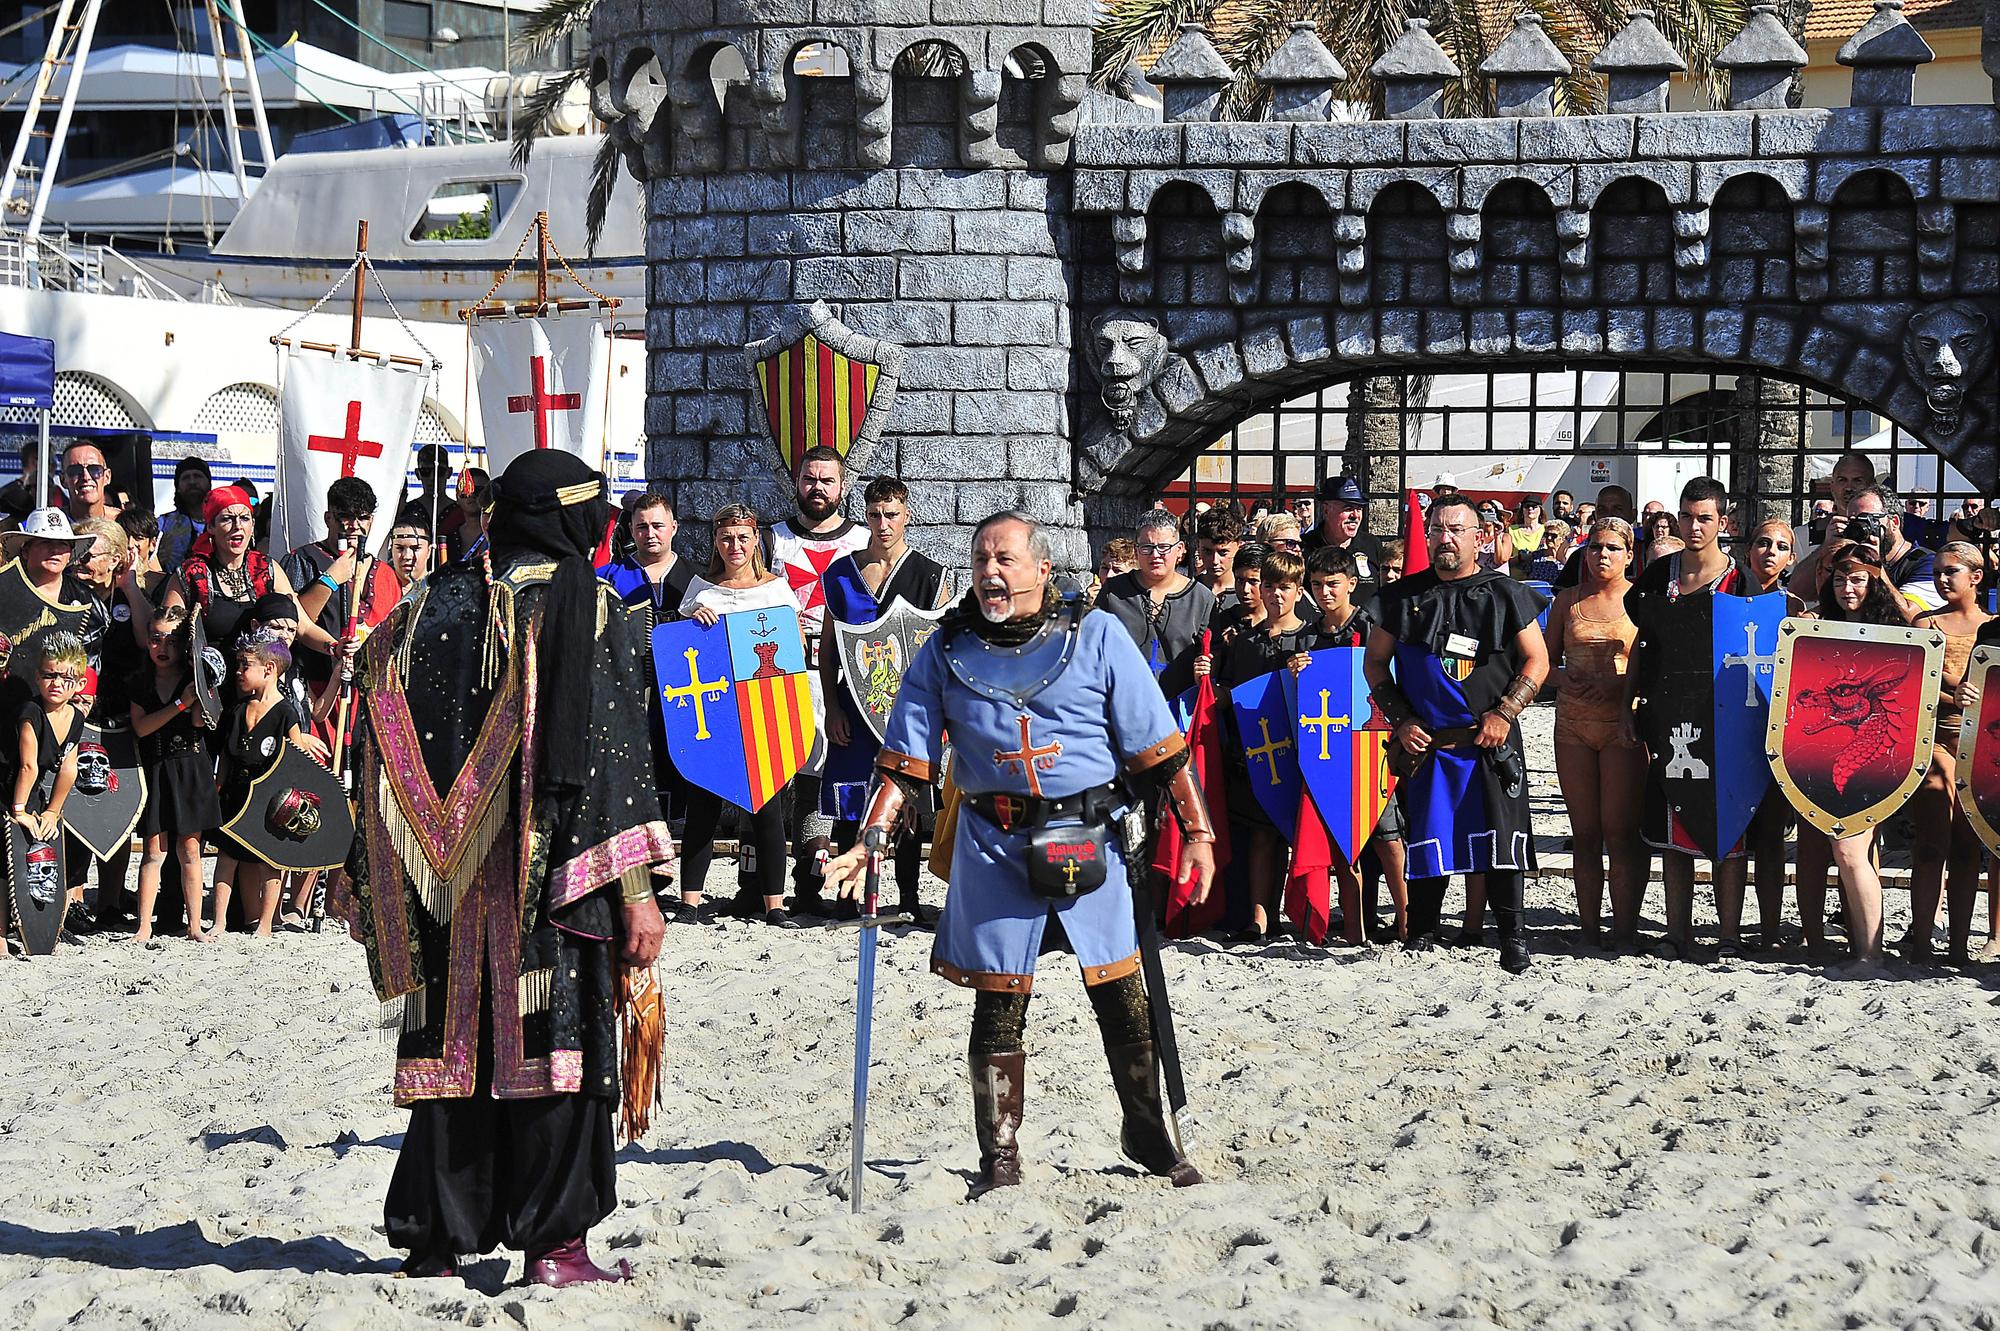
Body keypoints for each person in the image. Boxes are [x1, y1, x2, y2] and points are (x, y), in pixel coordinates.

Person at [341, 447, 671, 1285]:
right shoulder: (587, 606)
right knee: (554, 1054)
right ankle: (556, 1248)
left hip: (441, 883)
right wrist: (634, 892)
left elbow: (374, 724)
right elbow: (607, 763)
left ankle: (434, 1240)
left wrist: (391, 858)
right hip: (551, 879)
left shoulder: (425, 605)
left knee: (457, 1055)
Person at [822, 511, 1215, 1194]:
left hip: (1090, 838)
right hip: (995, 845)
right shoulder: (945, 652)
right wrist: (871, 837)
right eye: (980, 560)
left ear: (1041, 567)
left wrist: (1200, 832)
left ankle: (1147, 1128)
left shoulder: (1096, 636)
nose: (991, 572)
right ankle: (999, 1151)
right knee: (1000, 1001)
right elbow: (905, 760)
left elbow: (1162, 748)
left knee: (1123, 993)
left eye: (1005, 559)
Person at [1365, 495, 1548, 973]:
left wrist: (1505, 712)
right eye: (1438, 529)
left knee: (1502, 840)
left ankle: (1512, 935)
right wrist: (1402, 720)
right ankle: (1423, 931)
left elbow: (1538, 661)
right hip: (1430, 746)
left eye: (1456, 530)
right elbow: (1375, 665)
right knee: (1429, 836)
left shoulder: (1505, 593)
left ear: (1478, 537)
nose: (1446, 538)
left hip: (1491, 741)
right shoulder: (1403, 598)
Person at [1625, 477, 1754, 958]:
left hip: (1726, 723)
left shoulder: (1741, 581)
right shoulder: (1660, 578)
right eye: (1687, 516)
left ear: (1723, 522)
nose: (1694, 526)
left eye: (1704, 517)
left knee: (1728, 828)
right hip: (1669, 714)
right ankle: (1677, 932)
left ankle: (1729, 935)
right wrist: (1627, 706)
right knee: (1672, 824)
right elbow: (1642, 645)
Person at [816, 477, 950, 922]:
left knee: (906, 796)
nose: (883, 523)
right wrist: (832, 707)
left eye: (891, 514)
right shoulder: (840, 573)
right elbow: (831, 647)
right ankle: (846, 894)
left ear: (906, 515)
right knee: (851, 799)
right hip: (853, 703)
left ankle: (907, 898)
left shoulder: (931, 576)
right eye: (874, 515)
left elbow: (939, 650)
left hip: (909, 708)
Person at [677, 504, 807, 927]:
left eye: (743, 537)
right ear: (716, 540)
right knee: (704, 805)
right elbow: (681, 651)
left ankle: (775, 904)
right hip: (712, 712)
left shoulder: (777, 591)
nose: (735, 545)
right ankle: (690, 902)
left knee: (767, 808)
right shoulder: (700, 590)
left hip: (762, 714)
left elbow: (792, 654)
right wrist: (695, 620)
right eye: (726, 537)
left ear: (756, 542)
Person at [767, 445, 869, 907]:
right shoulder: (771, 540)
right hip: (784, 669)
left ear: (842, 486)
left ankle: (833, 874)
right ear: (798, 482)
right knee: (795, 766)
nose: (818, 488)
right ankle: (793, 878)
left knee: (835, 765)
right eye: (810, 479)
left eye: (827, 480)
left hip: (845, 673)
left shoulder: (864, 541)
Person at [1812, 543, 1916, 973]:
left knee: (1850, 851)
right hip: (1830, 753)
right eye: (1839, 579)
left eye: (1857, 578)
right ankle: (1864, 946)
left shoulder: (1894, 627)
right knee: (1849, 852)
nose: (1847, 587)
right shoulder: (1820, 628)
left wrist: (1885, 579)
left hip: (1883, 758)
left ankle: (1871, 951)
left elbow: (1924, 636)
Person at [1545, 518, 1645, 946]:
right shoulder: (1566, 601)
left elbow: (1652, 667)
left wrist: (1619, 687)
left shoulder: (1640, 601)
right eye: (1594, 547)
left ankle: (1625, 930)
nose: (1601, 555)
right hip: (1572, 725)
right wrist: (1564, 680)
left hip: (1622, 724)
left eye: (1611, 548)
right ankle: (1588, 929)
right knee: (1584, 833)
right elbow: (1542, 663)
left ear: (1628, 555)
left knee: (1621, 833)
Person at [1300, 545, 1407, 943]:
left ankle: (1405, 918)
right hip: (1329, 750)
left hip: (1372, 747)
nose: (1324, 592)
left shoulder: (1373, 626)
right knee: (1344, 841)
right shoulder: (1308, 636)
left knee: (1387, 836)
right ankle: (1355, 927)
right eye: (1316, 585)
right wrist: (1298, 671)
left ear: (1351, 584)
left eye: (1332, 584)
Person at [1205, 548, 1312, 944]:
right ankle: (1260, 916)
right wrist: (1216, 687)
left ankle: (1298, 912)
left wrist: (1306, 673)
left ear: (1298, 592)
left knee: (1291, 835)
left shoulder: (1309, 640)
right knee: (1260, 834)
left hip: (1298, 753)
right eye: (1268, 586)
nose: (1274, 595)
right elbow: (1230, 692)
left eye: (1284, 587)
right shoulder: (1246, 642)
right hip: (1254, 750)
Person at [1909, 542, 1990, 964]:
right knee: (1931, 841)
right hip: (1934, 740)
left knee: (1966, 847)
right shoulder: (1926, 623)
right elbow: (1915, 678)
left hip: (1980, 747)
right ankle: (1921, 940)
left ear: (1976, 577)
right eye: (1938, 571)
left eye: (1951, 571)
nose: (1942, 578)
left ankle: (1959, 946)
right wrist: (1953, 694)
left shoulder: (1992, 627)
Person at [212, 634, 325, 937]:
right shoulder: (237, 710)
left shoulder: (286, 712)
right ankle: (221, 922)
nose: (238, 671)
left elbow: (297, 756)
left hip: (270, 797)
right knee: (228, 858)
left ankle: (265, 923)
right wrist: (218, 788)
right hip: (237, 792)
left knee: (268, 862)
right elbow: (224, 756)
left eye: (244, 665)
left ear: (269, 669)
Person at [162, 487, 328, 676]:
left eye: (244, 518)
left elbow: (303, 628)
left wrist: (335, 647)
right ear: (211, 527)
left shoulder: (266, 568)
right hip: (208, 689)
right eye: (226, 519)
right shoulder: (191, 573)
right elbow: (166, 635)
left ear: (253, 524)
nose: (237, 526)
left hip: (259, 686)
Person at [129, 606, 217, 944]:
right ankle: (144, 926)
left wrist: (199, 690)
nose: (163, 647)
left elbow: (201, 723)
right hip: (156, 768)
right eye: (156, 639)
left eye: (173, 640)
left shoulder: (193, 679)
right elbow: (141, 728)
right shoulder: (141, 681)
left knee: (190, 850)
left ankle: (194, 925)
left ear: (186, 645)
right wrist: (179, 705)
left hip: (191, 766)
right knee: (153, 851)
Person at [283, 477, 402, 726]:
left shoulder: (385, 573)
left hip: (369, 698)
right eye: (345, 517)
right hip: (316, 691)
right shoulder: (302, 560)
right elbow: (293, 624)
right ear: (328, 518)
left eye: (363, 517)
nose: (354, 526)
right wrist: (331, 579)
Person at [1739, 520, 1807, 952]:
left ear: (1791, 559)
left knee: (1769, 836)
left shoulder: (1798, 610)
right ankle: (1728, 927)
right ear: (1749, 549)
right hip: (1729, 723)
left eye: (1781, 546)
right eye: (1763, 542)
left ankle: (1767, 929)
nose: (1770, 552)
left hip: (1775, 731)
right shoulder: (1724, 599)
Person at [4, 632, 84, 944]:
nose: (56, 683)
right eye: (49, 675)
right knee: (5, 863)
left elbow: (68, 768)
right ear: (38, 677)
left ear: (77, 683)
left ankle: (39, 929)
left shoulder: (75, 716)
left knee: (39, 855)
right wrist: (20, 811)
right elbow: (28, 765)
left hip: (31, 790)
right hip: (9, 786)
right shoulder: (30, 712)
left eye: (66, 677)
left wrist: (52, 811)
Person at [1095, 507, 1217, 697]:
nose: (1155, 555)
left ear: (1180, 550)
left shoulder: (1201, 598)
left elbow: (1210, 657)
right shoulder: (1114, 592)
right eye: (1147, 548)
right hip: (1123, 705)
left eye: (1164, 547)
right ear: (1136, 551)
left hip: (1179, 709)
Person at [1804, 482, 1939, 612]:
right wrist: (1826, 548)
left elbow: (1911, 617)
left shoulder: (1926, 563)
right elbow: (1802, 593)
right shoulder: (1849, 560)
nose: (1860, 528)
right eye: (1853, 521)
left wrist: (1875, 566)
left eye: (1868, 520)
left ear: (1894, 522)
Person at [1792, 450, 1879, 588]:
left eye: (1858, 480)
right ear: (1832, 486)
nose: (1849, 488)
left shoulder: (1884, 532)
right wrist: (1825, 547)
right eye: (1842, 480)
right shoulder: (1803, 536)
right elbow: (1793, 589)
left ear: (1872, 486)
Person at [1302, 475, 1386, 600]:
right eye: (1348, 509)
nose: (1355, 515)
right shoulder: (1305, 547)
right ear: (1326, 510)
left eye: (1359, 509)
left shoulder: (1371, 544)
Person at [1552, 485, 1635, 589]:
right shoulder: (1580, 557)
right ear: (1595, 516)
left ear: (1633, 515)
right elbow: (1563, 598)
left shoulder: (1646, 555)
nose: (1610, 515)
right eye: (1602, 510)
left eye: (1618, 509)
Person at [397, 444, 464, 557]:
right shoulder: (407, 511)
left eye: (439, 471)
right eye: (426, 471)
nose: (433, 478)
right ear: (418, 474)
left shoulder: (460, 512)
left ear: (449, 472)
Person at [155, 456, 211, 577]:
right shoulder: (163, 523)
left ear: (209, 483)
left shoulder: (221, 521)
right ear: (178, 488)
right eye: (186, 478)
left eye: (197, 476)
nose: (192, 482)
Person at [1192, 505, 1246, 608]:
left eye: (1223, 552)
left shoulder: (1250, 593)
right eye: (1207, 551)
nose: (1215, 561)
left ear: (1239, 548)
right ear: (1198, 546)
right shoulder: (1189, 592)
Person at [60, 442, 121, 524]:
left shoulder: (123, 523)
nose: (86, 477)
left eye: (95, 470)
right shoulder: (51, 527)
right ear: (63, 480)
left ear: (107, 476)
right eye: (75, 470)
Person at [384, 518, 432, 599]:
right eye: (400, 548)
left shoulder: (437, 591)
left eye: (415, 548)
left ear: (428, 551)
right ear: (391, 549)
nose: (407, 556)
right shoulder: (379, 591)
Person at [1508, 497, 1546, 564]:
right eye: (1527, 506)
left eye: (1534, 506)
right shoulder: (1511, 530)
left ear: (1541, 510)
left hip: (1539, 571)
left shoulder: (1546, 529)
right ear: (1522, 510)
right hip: (1517, 571)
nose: (1530, 509)